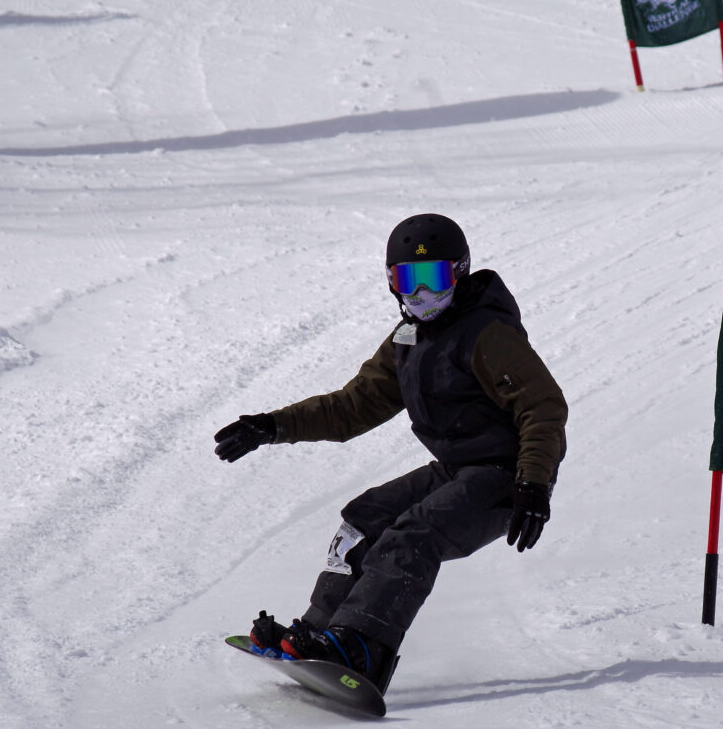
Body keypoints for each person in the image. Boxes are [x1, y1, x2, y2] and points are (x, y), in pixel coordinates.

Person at [213, 213, 567, 695]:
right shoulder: (410, 340)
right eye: (407, 281)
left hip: (506, 479)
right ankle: (320, 632)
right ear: (390, 282)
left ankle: (362, 647)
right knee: (363, 520)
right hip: (458, 472)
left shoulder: (488, 334)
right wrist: (273, 426)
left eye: (433, 279)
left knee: (413, 535)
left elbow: (542, 406)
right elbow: (352, 406)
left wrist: (534, 484)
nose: (420, 295)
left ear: (459, 274)